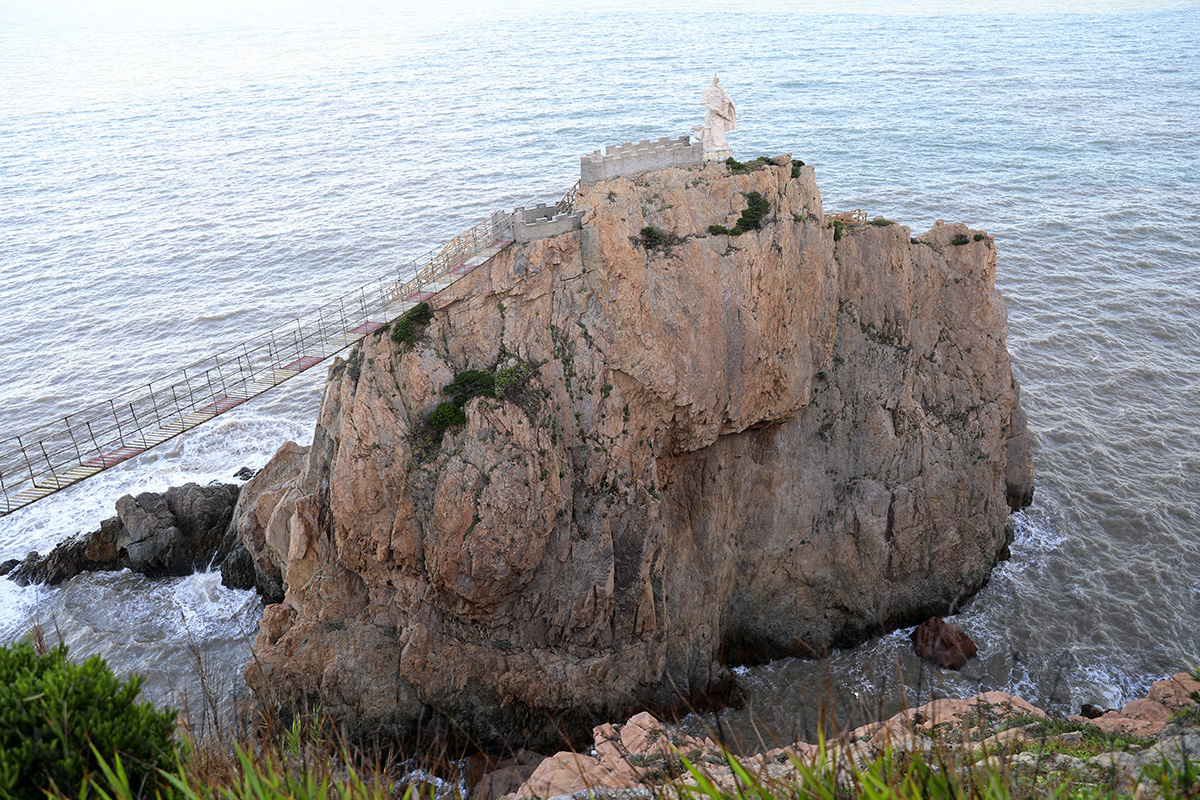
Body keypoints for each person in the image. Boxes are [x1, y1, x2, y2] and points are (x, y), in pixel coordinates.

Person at [699, 74, 736, 151]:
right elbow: (703, 102)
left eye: (716, 80)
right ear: (711, 80)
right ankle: (707, 143)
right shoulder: (707, 90)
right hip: (711, 112)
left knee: (720, 128)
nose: (715, 81)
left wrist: (724, 111)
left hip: (720, 113)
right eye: (714, 80)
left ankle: (720, 143)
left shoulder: (720, 89)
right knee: (708, 127)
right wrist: (714, 109)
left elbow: (726, 100)